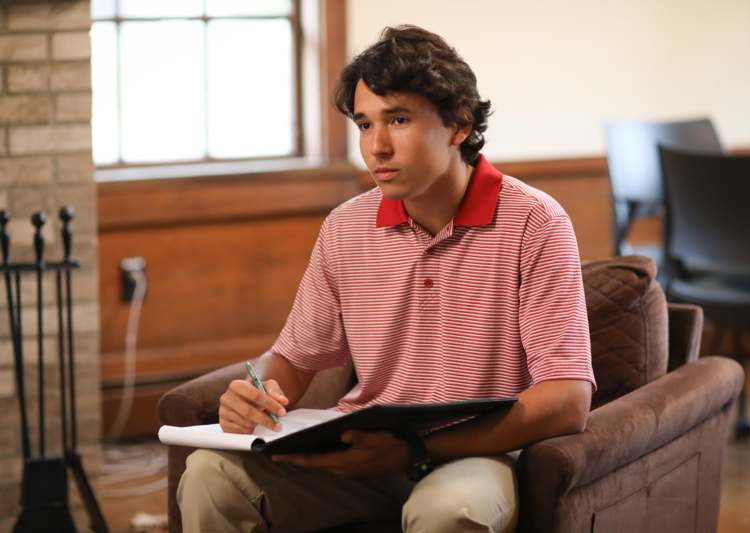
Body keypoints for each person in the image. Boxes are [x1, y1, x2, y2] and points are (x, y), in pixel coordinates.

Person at [178, 25, 595, 533]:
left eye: (397, 120)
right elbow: (294, 357)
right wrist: (257, 391)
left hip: (475, 454)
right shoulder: (345, 228)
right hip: (363, 453)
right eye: (363, 124)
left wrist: (414, 449)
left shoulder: (535, 222)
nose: (375, 147)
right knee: (209, 473)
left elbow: (568, 399)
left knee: (447, 512)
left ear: (459, 125)